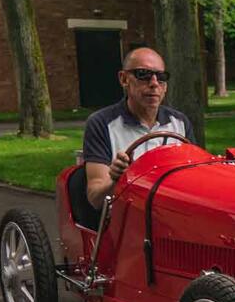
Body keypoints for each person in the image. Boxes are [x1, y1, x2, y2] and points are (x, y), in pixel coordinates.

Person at [83, 45, 195, 209]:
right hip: (124, 220)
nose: (154, 83)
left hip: (172, 214)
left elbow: (193, 179)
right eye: (143, 75)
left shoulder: (180, 122)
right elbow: (95, 198)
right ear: (123, 79)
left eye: (161, 77)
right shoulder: (101, 123)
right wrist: (116, 179)